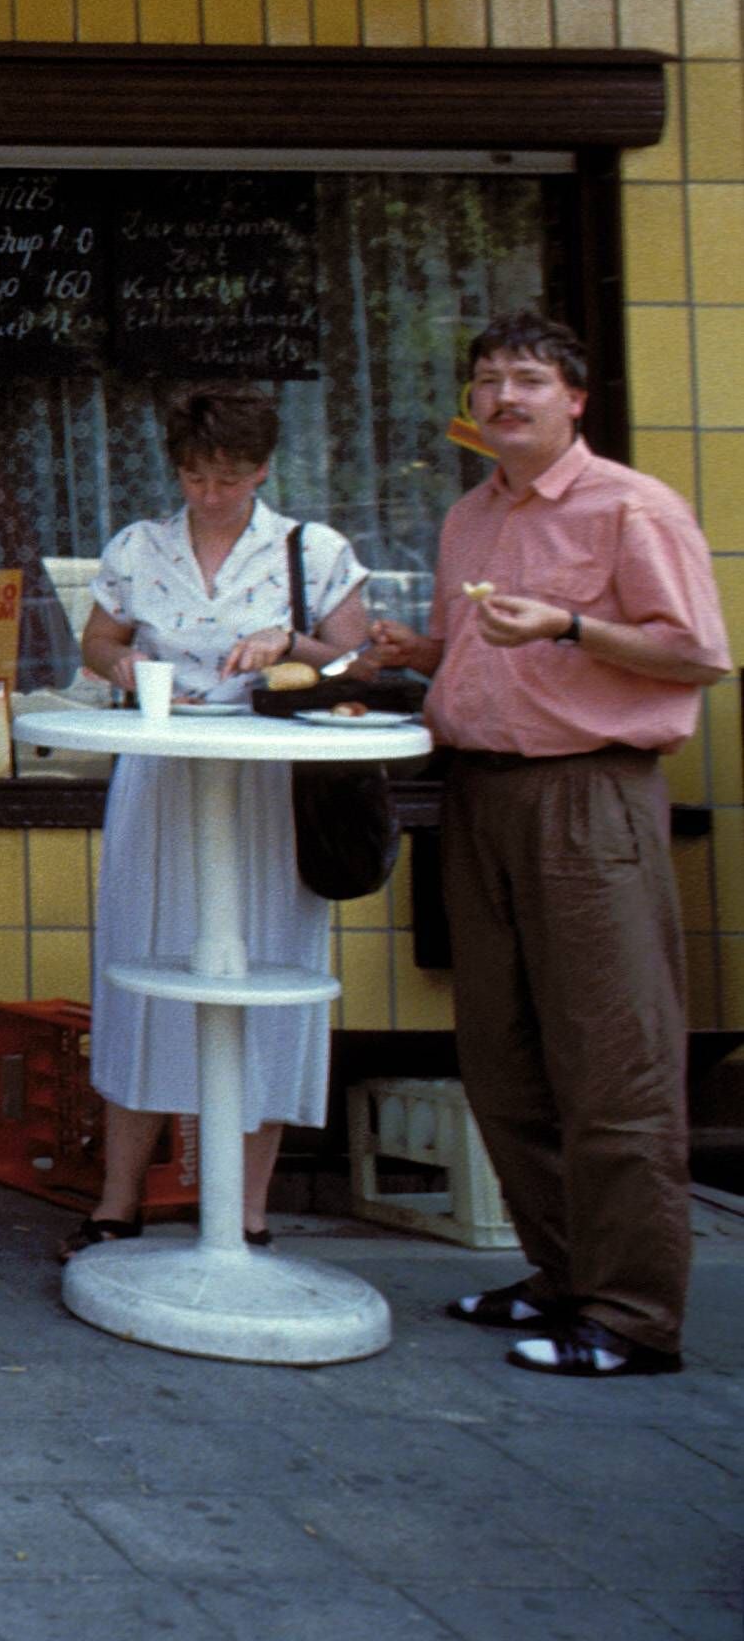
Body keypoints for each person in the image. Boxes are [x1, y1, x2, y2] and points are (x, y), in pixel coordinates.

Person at [367, 313, 730, 1378]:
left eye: (527, 379)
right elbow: (479, 652)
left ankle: (634, 1314)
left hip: (589, 793)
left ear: (573, 398)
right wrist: (419, 651)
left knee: (612, 1056)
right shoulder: (470, 515)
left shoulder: (630, 506)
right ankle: (563, 1273)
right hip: (478, 792)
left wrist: (570, 625)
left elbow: (695, 653)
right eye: (487, 380)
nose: (503, 397)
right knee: (503, 1056)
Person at [70, 383, 372, 1256]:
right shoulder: (139, 546)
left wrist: (289, 645)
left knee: (263, 970)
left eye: (230, 478)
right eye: (196, 476)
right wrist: (124, 667)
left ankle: (245, 1210)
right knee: (138, 966)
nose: (210, 493)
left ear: (263, 470)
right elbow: (98, 639)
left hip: (271, 783)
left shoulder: (311, 551)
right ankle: (117, 1201)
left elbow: (357, 662)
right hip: (162, 774)